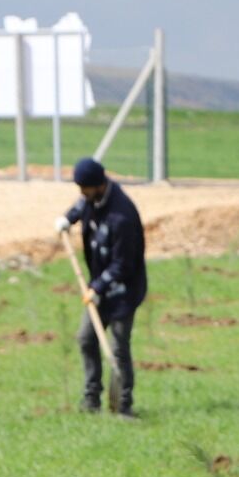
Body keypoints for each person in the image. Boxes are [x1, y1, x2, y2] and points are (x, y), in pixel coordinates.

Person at [56, 157, 146, 416]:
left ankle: (123, 406)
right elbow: (81, 207)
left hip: (123, 292)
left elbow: (124, 264)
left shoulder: (122, 216)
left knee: (118, 348)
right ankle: (91, 399)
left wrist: (98, 287)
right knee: (86, 339)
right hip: (98, 289)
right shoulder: (91, 199)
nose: (81, 193)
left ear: (98, 185)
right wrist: (67, 219)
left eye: (84, 188)